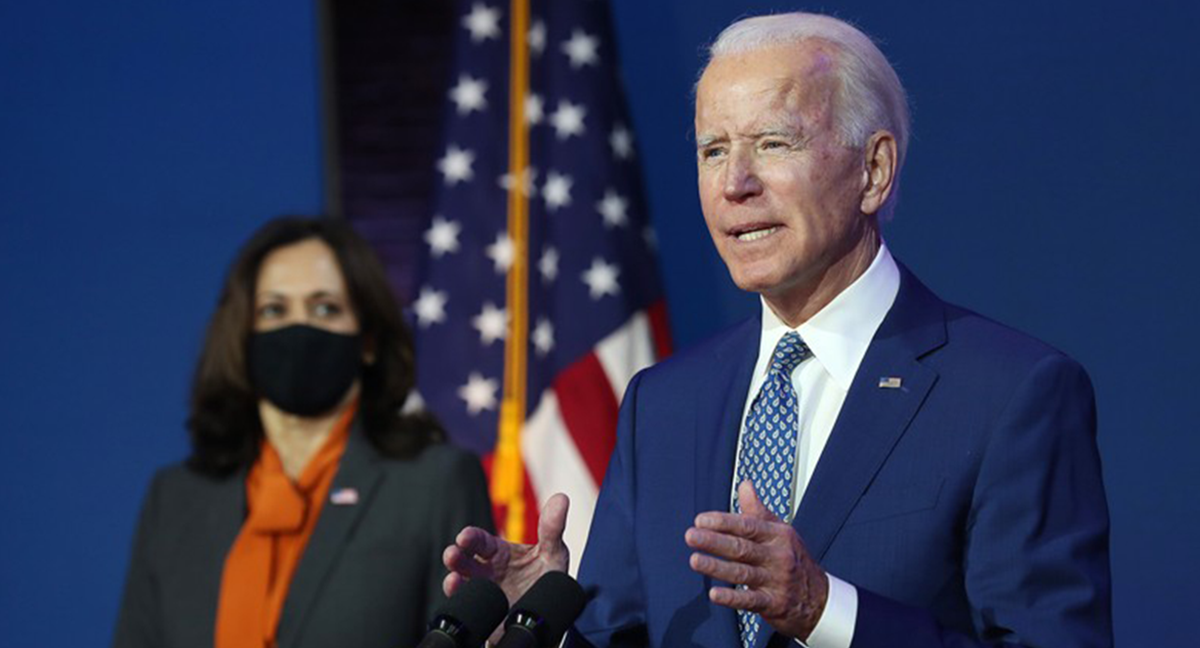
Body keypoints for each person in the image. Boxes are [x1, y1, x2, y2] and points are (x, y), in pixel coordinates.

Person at [442, 12, 1112, 648]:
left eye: (773, 143)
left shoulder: (1009, 393)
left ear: (872, 171)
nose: (735, 183)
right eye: (713, 150)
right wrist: (542, 626)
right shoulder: (664, 403)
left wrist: (824, 611)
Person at [114, 217, 494, 648]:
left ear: (367, 339)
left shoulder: (435, 483)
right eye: (274, 310)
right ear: (242, 333)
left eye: (325, 308)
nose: (299, 329)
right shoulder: (176, 497)